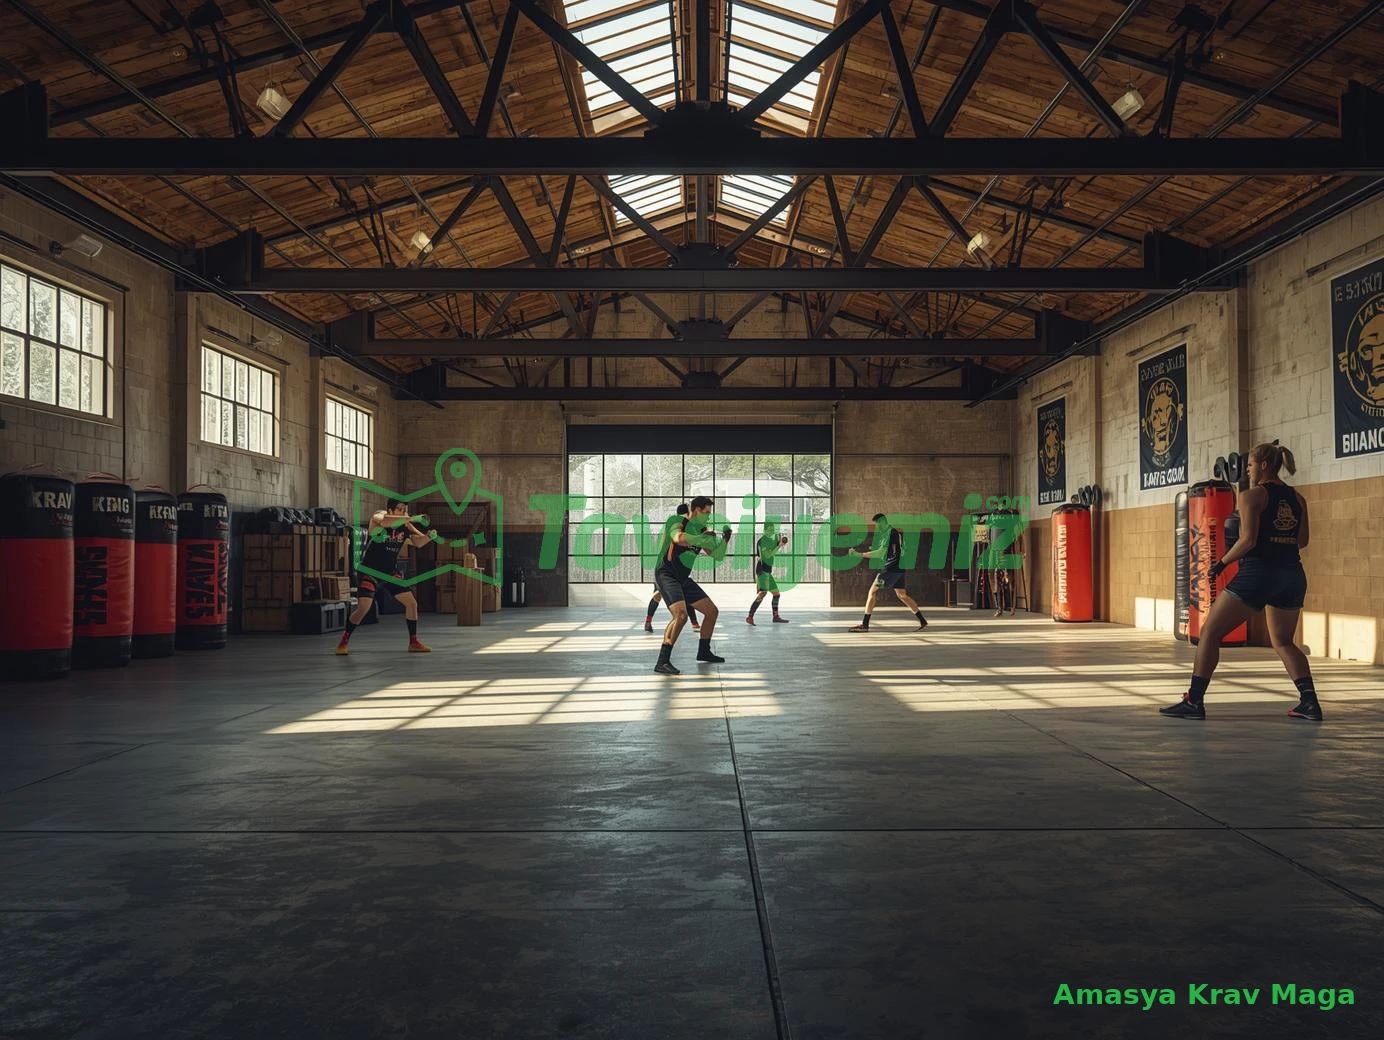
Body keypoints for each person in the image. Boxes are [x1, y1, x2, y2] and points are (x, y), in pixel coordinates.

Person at [1161, 442, 1320, 721]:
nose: (1247, 471)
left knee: (1209, 631)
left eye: (1249, 466)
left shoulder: (1251, 496)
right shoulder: (1298, 499)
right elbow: (1303, 541)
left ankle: (1194, 701)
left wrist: (1220, 563)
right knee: (1283, 642)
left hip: (1260, 573)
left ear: (1263, 465)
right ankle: (1309, 702)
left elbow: (1248, 540)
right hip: (1292, 575)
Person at [337, 498, 433, 655]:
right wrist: (412, 518)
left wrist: (429, 536)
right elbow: (385, 522)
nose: (403, 512)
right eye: (400, 509)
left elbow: (418, 543)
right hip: (370, 572)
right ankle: (343, 641)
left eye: (405, 509)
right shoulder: (379, 517)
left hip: (389, 573)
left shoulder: (404, 526)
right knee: (363, 609)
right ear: (390, 510)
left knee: (411, 604)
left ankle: (413, 642)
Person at [653, 496, 731, 674]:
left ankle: (704, 651)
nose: (708, 517)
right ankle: (662, 660)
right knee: (681, 615)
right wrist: (701, 538)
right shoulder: (677, 521)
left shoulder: (702, 529)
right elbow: (678, 538)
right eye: (706, 513)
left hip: (683, 578)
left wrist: (725, 540)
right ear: (695, 510)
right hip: (666, 574)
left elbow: (716, 555)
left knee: (712, 612)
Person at [847, 513, 928, 632]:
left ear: (883, 521)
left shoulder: (891, 533)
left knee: (872, 592)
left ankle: (865, 625)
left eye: (878, 524)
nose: (877, 527)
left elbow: (880, 552)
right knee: (902, 595)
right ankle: (922, 620)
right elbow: (892, 551)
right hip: (899, 567)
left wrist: (860, 555)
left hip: (891, 568)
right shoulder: (891, 533)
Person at [644, 503, 699, 632]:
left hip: (668, 566)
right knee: (663, 594)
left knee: (658, 595)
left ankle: (648, 621)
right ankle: (694, 623)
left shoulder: (678, 524)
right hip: (666, 568)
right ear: (687, 513)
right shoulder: (677, 523)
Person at [747, 520, 789, 625]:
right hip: (762, 570)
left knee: (776, 594)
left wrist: (781, 542)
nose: (771, 532)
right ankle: (750, 617)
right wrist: (779, 546)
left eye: (773, 531)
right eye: (769, 530)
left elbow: (775, 547)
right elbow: (768, 555)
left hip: (767, 571)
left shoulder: (769, 541)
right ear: (765, 530)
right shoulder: (763, 541)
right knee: (763, 593)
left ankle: (775, 617)